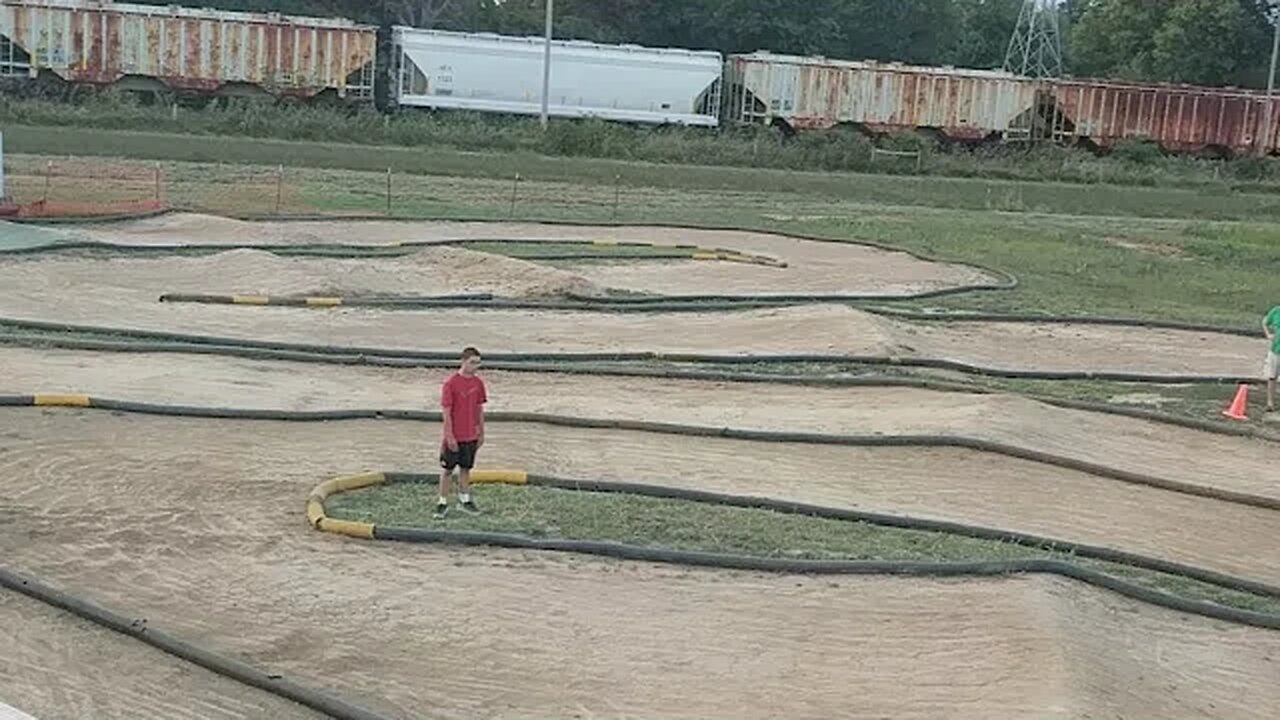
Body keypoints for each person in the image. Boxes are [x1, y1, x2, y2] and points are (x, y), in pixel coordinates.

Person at [436, 347, 487, 518]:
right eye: (472, 363)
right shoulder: (450, 384)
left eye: (478, 363)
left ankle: (465, 499)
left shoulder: (478, 383)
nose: (475, 367)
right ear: (463, 361)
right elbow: (446, 412)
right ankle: (442, 502)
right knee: (448, 470)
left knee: (466, 468)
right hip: (455, 435)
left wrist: (481, 431)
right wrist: (449, 435)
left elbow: (479, 409)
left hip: (471, 435)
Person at [1266, 305, 1280, 413]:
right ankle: (1270, 402)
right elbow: (1265, 322)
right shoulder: (1276, 311)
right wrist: (1268, 334)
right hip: (1275, 350)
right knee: (1272, 376)